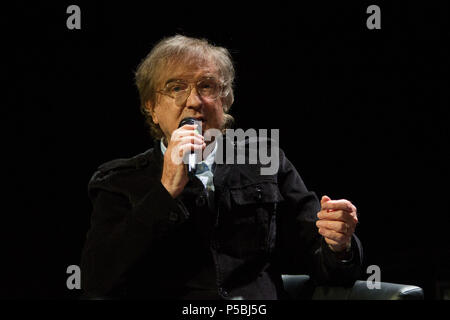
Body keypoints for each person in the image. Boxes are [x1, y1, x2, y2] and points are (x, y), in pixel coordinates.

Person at [80, 35, 363, 299]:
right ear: (152, 108)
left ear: (225, 100)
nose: (194, 102)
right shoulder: (119, 180)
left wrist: (340, 244)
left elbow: (326, 264)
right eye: (176, 88)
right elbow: (99, 281)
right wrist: (164, 192)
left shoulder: (265, 162)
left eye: (207, 86)